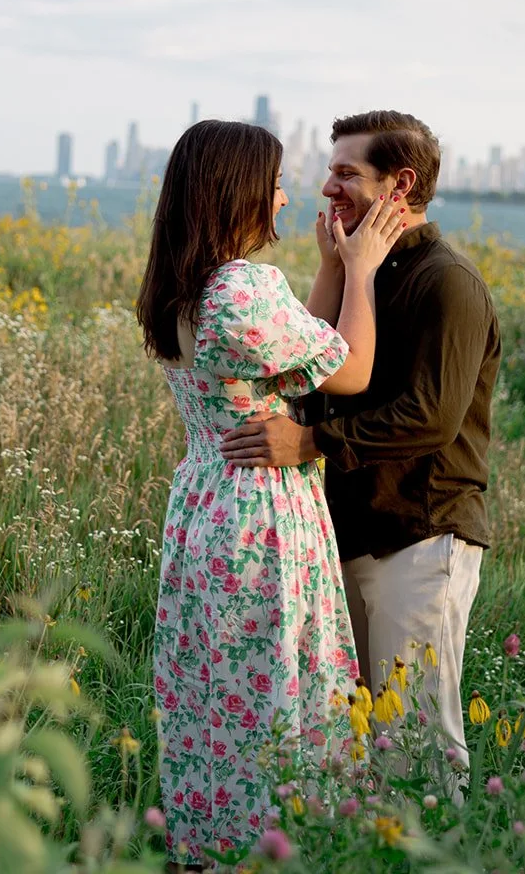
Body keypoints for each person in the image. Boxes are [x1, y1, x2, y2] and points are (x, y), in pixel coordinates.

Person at [135, 118, 407, 867]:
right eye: (279, 181)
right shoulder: (245, 286)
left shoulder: (183, 286)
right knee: (278, 693)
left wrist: (322, 268)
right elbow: (346, 371)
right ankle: (280, 846)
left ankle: (209, 847)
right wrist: (361, 268)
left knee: (217, 695)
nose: (289, 195)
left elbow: (295, 347)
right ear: (242, 191)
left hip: (203, 505)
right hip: (261, 512)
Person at [220, 110, 500, 778]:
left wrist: (311, 443)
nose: (327, 189)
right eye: (330, 171)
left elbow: (429, 417)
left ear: (399, 185)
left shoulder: (446, 282)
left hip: (420, 535)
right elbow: (309, 385)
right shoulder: (359, 272)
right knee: (347, 741)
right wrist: (340, 273)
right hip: (347, 533)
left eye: (347, 173)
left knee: (417, 743)